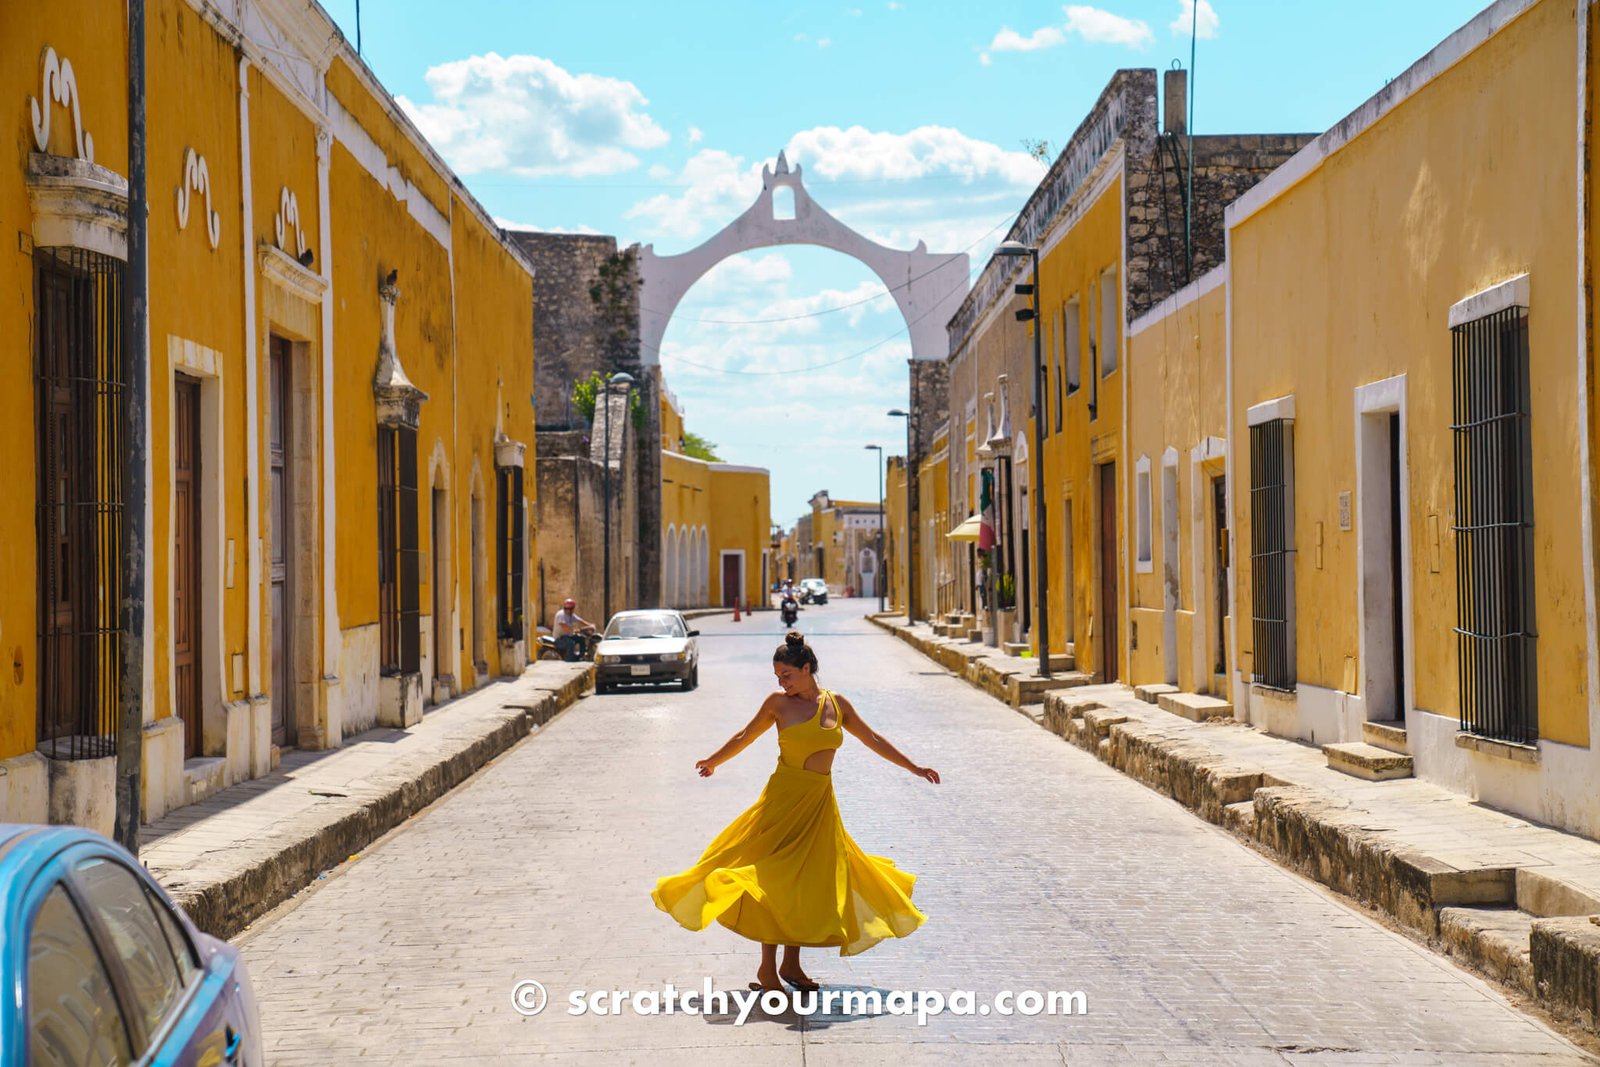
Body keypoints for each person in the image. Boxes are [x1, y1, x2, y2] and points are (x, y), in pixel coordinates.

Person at [651, 631, 939, 994]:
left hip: (820, 804)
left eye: (786, 675)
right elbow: (745, 735)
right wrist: (714, 761)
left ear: (806, 668)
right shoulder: (778, 704)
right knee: (774, 880)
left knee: (807, 882)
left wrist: (913, 767)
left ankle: (791, 964)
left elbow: (874, 739)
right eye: (777, 677)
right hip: (783, 803)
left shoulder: (838, 704)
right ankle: (767, 970)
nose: (781, 682)